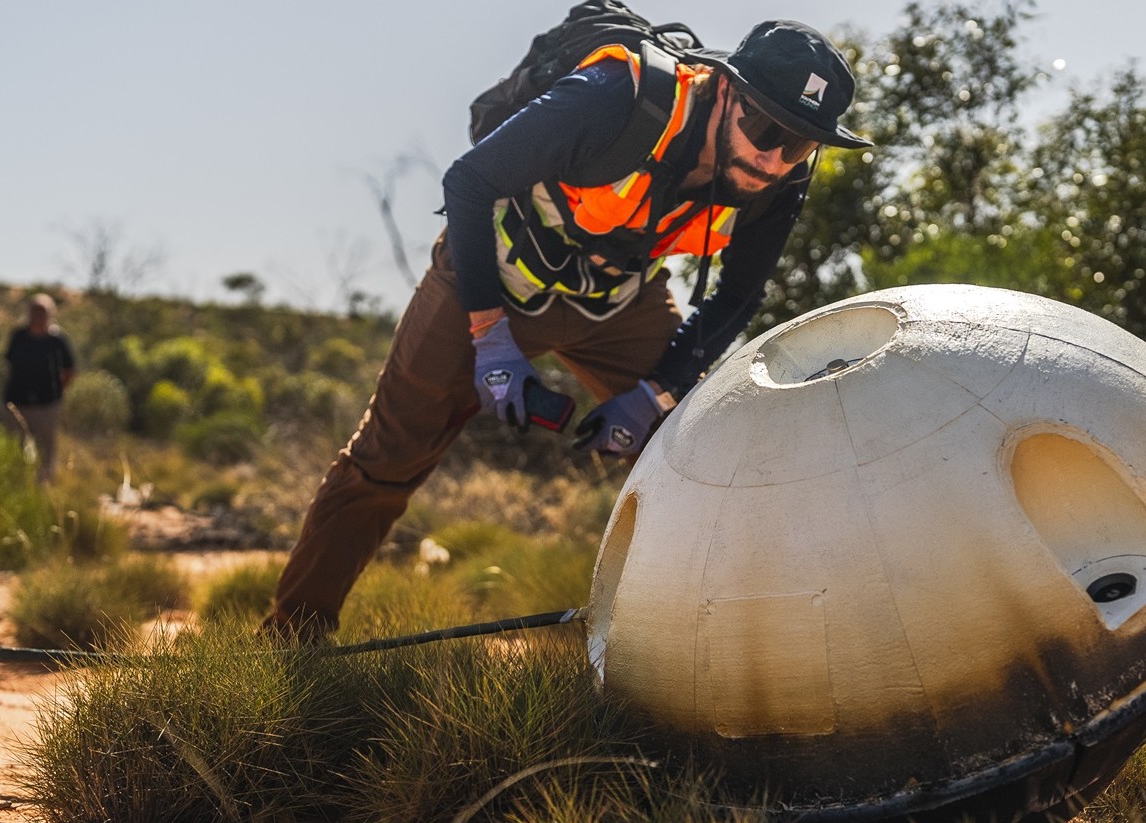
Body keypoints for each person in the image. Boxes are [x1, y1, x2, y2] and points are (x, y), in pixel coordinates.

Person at [265, 20, 872, 639]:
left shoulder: (780, 177)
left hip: (617, 305)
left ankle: (719, 645)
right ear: (722, 89)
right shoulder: (614, 98)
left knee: (704, 445)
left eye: (797, 145)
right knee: (386, 457)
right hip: (489, 279)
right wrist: (489, 337)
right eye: (765, 128)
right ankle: (292, 639)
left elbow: (739, 296)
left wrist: (655, 392)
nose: (773, 158)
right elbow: (468, 182)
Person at [3, 293, 76, 482]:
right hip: (17, 402)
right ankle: (16, 484)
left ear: (51, 314)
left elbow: (69, 370)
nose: (38, 316)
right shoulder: (19, 336)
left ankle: (43, 489)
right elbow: (9, 363)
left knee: (46, 450)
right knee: (14, 447)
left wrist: (57, 392)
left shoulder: (57, 340)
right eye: (34, 311)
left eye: (42, 312)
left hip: (47, 404)